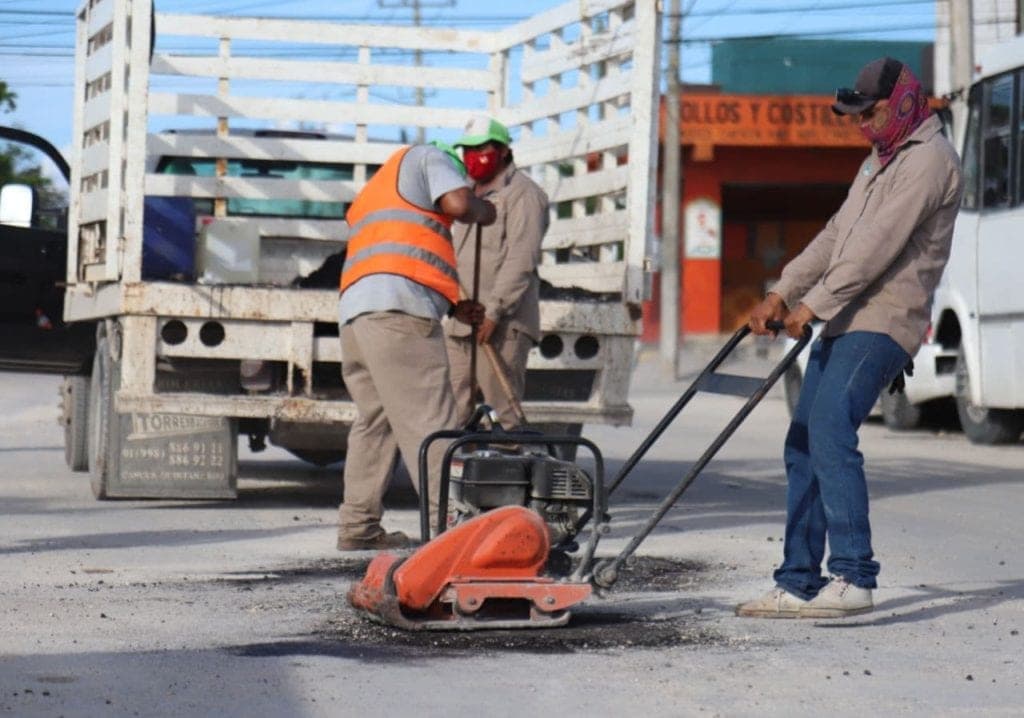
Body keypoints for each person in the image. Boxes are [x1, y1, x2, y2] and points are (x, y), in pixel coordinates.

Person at [738, 57, 963, 617]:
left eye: (873, 112)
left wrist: (813, 305)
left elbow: (875, 248)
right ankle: (797, 581)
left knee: (830, 427)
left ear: (906, 103)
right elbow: (837, 234)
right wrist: (781, 291)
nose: (863, 124)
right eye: (858, 115)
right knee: (802, 441)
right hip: (846, 316)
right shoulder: (877, 162)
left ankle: (854, 576)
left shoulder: (930, 161)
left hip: (886, 319)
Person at [336, 141, 496, 551]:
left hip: (358, 313)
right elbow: (460, 205)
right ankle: (450, 533)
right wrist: (484, 209)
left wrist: (456, 306)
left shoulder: (378, 187)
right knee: (432, 422)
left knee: (375, 421)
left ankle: (358, 527)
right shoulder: (430, 155)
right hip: (398, 313)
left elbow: (399, 253)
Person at [444, 116, 549, 429]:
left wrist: (494, 312)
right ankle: (450, 475)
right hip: (462, 321)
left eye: (482, 147)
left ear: (504, 150)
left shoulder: (525, 195)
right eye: (468, 149)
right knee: (450, 412)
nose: (473, 155)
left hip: (502, 323)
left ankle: (512, 470)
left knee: (504, 413)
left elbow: (521, 258)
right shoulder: (463, 193)